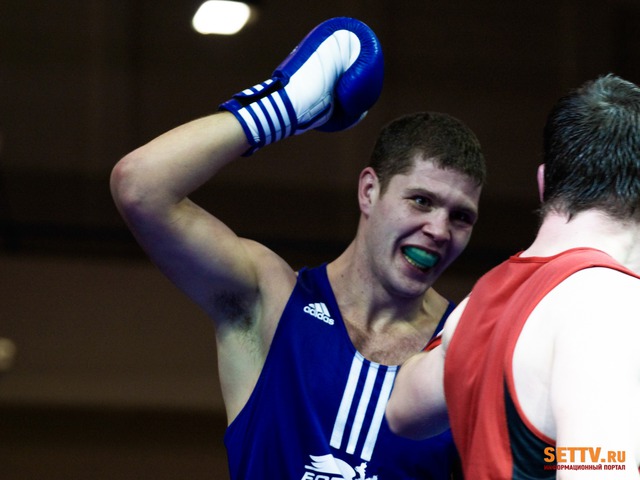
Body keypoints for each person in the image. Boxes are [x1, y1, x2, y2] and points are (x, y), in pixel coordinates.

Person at [111, 17, 486, 480]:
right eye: (421, 201)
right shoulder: (269, 301)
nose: (439, 230)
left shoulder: (466, 354)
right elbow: (140, 186)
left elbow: (562, 458)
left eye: (461, 216)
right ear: (369, 192)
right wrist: (284, 106)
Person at [386, 73, 640, 479]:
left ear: (543, 182)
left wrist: (456, 343)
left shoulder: (479, 301)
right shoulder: (609, 303)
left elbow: (402, 412)